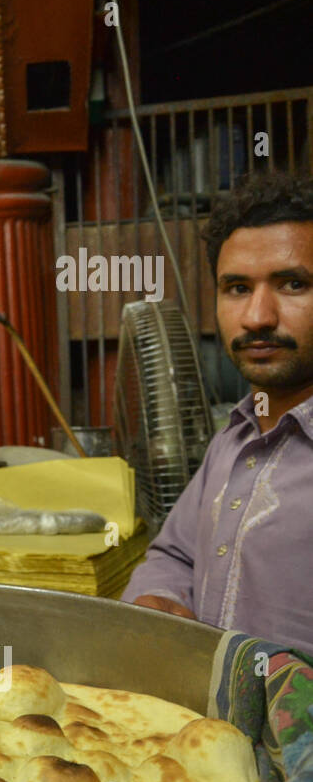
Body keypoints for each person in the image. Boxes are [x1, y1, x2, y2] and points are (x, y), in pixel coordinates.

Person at [122, 170, 313, 654]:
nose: (257, 317)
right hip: (203, 727)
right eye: (236, 288)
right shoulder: (233, 440)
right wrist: (157, 597)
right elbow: (175, 552)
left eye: (293, 284)